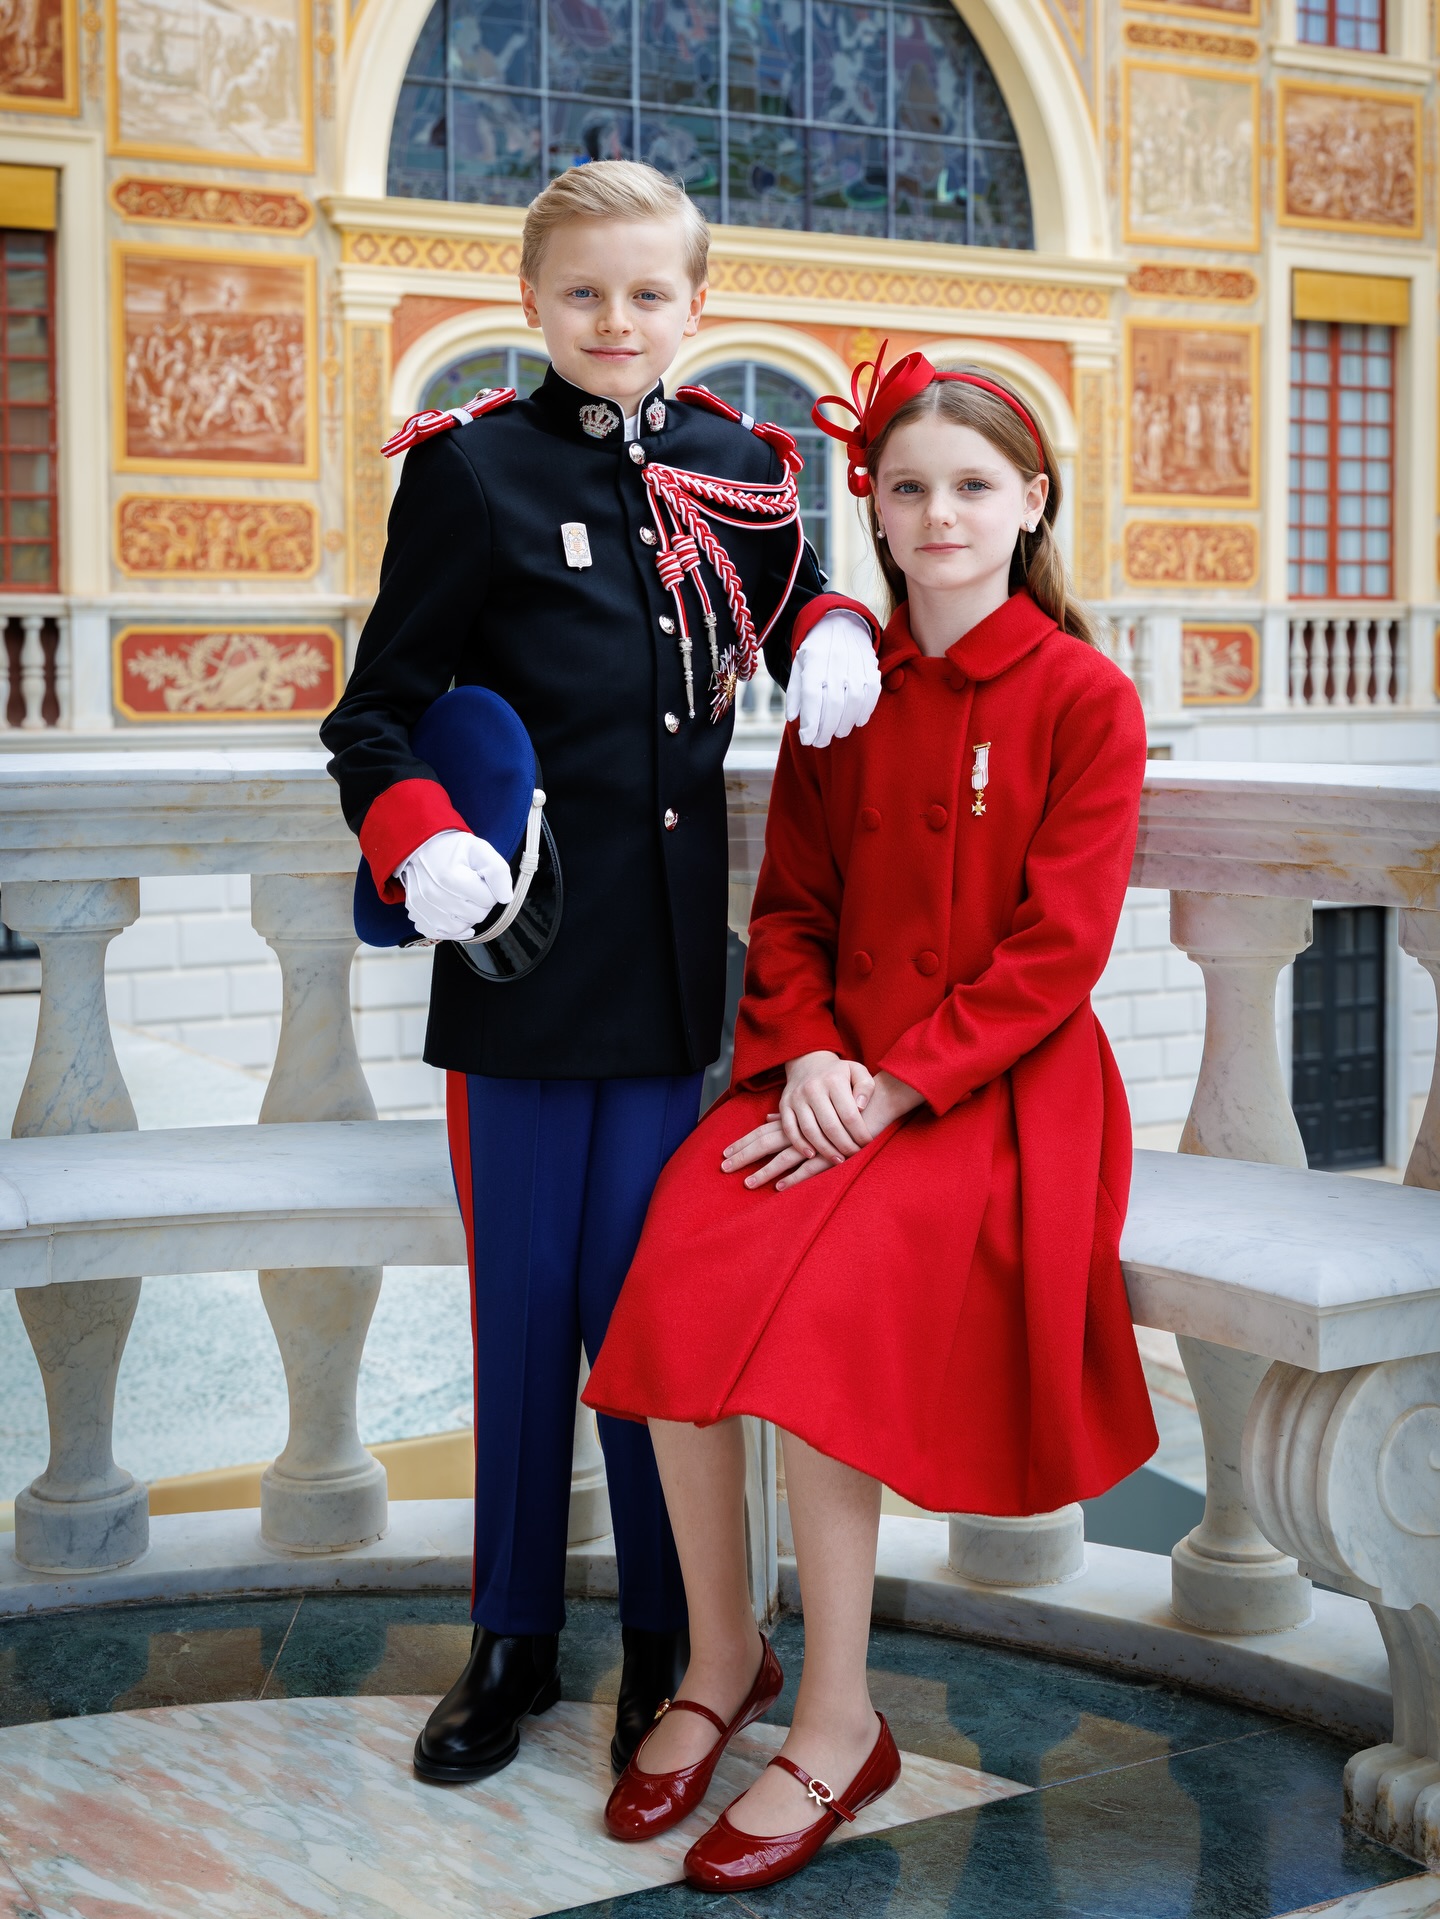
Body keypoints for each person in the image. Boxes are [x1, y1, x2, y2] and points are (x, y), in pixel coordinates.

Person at [321, 160, 883, 1786]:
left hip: (666, 992)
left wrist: (833, 623)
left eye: (647, 293)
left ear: (697, 304)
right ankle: (509, 1639)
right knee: (521, 1320)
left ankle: (672, 1643)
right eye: (583, 292)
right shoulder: (472, 470)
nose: (616, 320)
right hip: (516, 970)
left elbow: (785, 605)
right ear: (532, 301)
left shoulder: (742, 463)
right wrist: (415, 833)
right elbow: (374, 712)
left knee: (654, 1326)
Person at [584, 347, 1160, 1892]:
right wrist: (811, 1055)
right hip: (828, 1071)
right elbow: (791, 910)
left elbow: (1058, 952)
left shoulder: (1086, 700)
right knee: (678, 1261)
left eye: (972, 485)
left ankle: (840, 1724)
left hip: (996, 1094)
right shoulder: (846, 695)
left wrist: (899, 1082)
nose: (940, 513)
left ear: (1030, 502)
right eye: (909, 489)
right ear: (877, 514)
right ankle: (724, 1657)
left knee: (824, 1319)